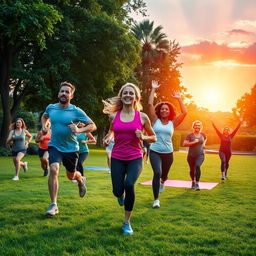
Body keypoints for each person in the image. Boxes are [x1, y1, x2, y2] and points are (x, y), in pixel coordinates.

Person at [102, 82, 156, 235]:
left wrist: (143, 136)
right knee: (117, 191)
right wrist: (108, 137)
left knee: (129, 184)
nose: (128, 95)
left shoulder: (142, 117)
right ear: (121, 96)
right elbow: (112, 131)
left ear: (136, 98)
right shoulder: (114, 116)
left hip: (135, 157)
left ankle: (127, 222)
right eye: (125, 93)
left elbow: (154, 137)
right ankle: (120, 196)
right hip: (117, 157)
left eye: (131, 93)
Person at [41, 81, 96, 217]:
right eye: (62, 91)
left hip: (71, 149)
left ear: (71, 95)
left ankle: (80, 179)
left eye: (67, 92)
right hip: (55, 146)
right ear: (58, 93)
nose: (64, 93)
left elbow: (92, 125)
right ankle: (54, 205)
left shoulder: (76, 111)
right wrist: (44, 126)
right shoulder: (51, 108)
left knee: (71, 175)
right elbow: (44, 115)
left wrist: (79, 129)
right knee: (53, 169)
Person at [148, 80, 187, 208]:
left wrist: (179, 98)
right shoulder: (155, 120)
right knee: (157, 173)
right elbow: (149, 104)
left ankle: (163, 182)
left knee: (164, 175)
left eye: (166, 109)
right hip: (155, 151)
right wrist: (154, 89)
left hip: (168, 153)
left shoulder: (173, 123)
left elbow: (185, 112)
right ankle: (156, 200)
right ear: (159, 111)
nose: (164, 110)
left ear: (169, 111)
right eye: (162, 109)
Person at [183, 120, 207, 191]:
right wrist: (193, 142)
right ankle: (193, 181)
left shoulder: (203, 134)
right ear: (193, 127)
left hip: (200, 155)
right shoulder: (190, 135)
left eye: (198, 125)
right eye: (196, 125)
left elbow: (205, 139)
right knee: (192, 170)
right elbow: (184, 144)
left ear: (201, 127)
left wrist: (204, 144)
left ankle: (197, 183)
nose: (197, 126)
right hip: (191, 156)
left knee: (197, 166)